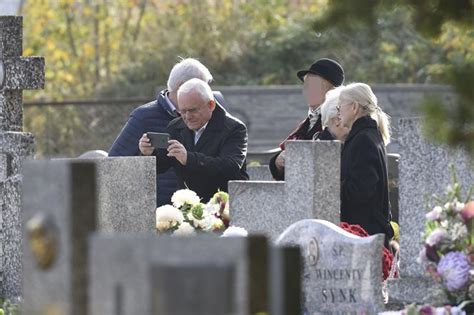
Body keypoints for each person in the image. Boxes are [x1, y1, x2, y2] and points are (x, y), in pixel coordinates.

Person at [108, 58, 227, 206]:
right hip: (160, 214)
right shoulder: (144, 117)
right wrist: (145, 154)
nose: (208, 93)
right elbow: (113, 164)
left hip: (204, 209)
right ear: (181, 86)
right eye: (201, 87)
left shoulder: (213, 113)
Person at [139, 78, 249, 202]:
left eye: (193, 110)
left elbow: (230, 167)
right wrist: (148, 153)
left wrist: (188, 158)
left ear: (211, 105)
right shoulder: (175, 126)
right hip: (189, 208)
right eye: (182, 111)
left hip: (227, 206)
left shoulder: (234, 128)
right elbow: (162, 165)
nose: (187, 117)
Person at [337, 82, 394, 244]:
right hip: (368, 231)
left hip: (364, 232)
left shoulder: (363, 140)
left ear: (354, 107)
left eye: (340, 106)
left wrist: (330, 188)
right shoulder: (368, 135)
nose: (338, 112)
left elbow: (362, 190)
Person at [269, 58, 345, 180]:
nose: (306, 91)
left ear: (331, 91)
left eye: (313, 86)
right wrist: (277, 162)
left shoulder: (337, 121)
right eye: (305, 86)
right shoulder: (307, 122)